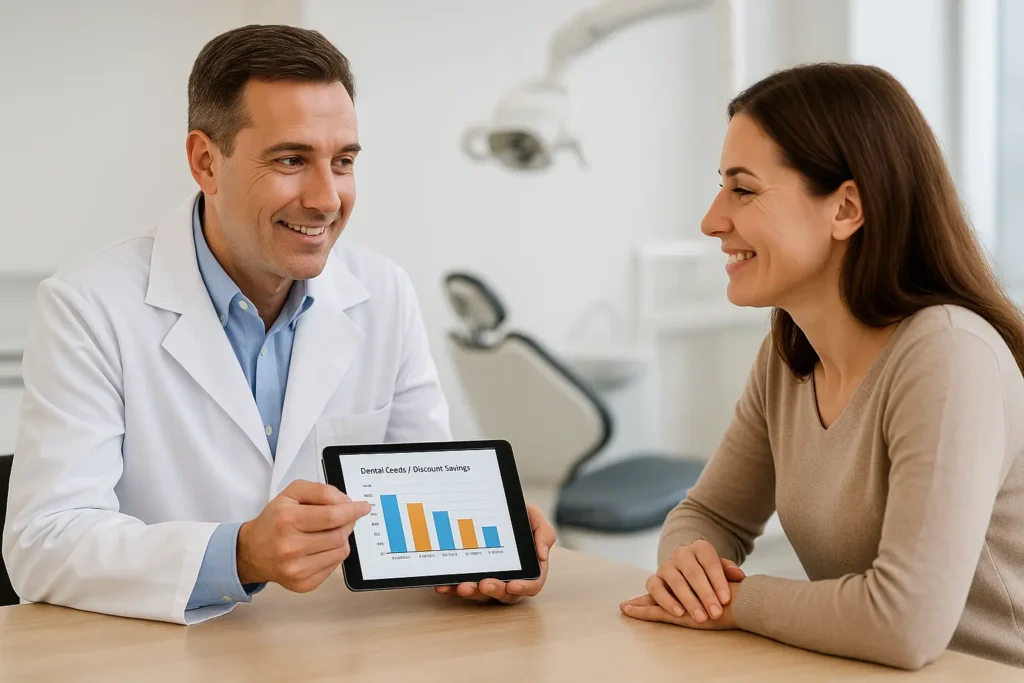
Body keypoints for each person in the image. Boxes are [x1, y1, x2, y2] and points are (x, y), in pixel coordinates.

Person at [1, 24, 555, 624]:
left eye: (342, 162)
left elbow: (424, 490)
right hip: (163, 653)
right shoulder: (89, 305)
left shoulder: (383, 292)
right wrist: (239, 554)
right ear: (205, 162)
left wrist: (484, 543)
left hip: (335, 648)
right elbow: (42, 543)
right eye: (291, 159)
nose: (326, 198)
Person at [619, 63, 1024, 670]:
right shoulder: (789, 356)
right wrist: (691, 566)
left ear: (845, 209)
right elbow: (708, 515)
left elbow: (904, 624)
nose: (711, 221)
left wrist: (737, 601)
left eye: (743, 189)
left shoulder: (948, 354)